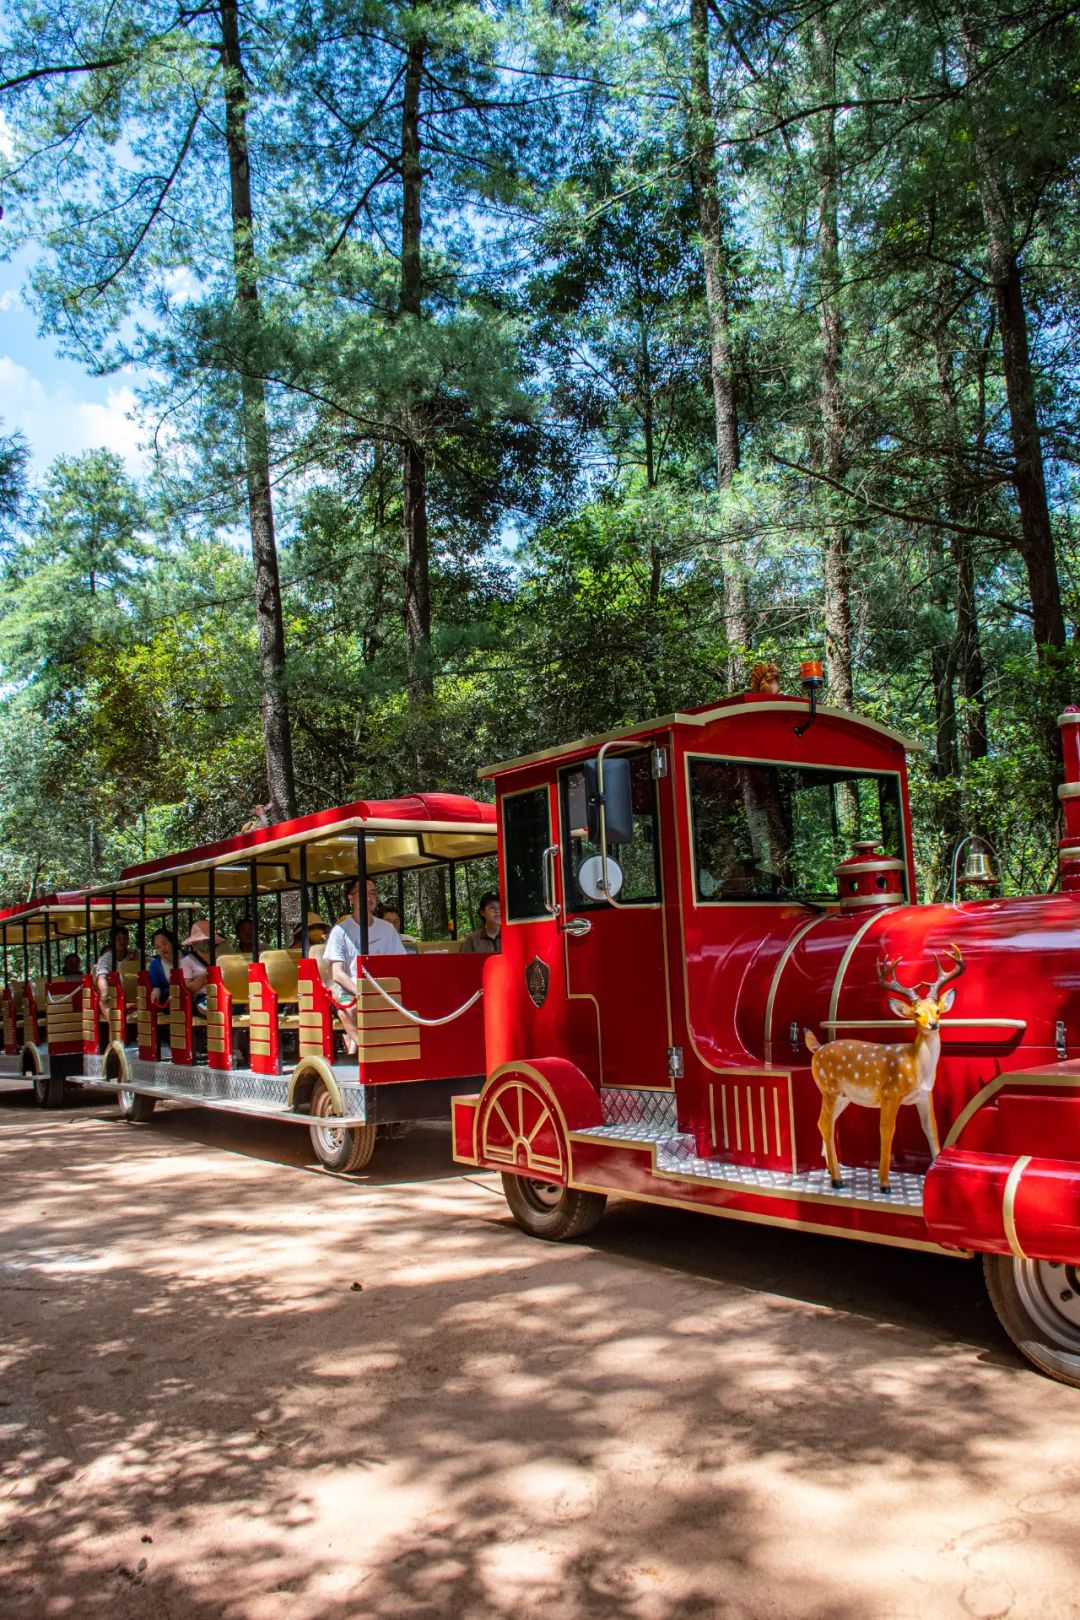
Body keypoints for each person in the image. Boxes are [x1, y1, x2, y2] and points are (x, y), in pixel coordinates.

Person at [323, 879, 405, 1054]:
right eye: (364, 893)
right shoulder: (340, 931)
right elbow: (337, 974)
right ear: (351, 898)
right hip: (353, 992)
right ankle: (366, 1049)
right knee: (349, 1009)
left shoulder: (387, 930)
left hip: (384, 990)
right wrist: (361, 992)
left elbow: (400, 964)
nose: (370, 898)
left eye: (373, 893)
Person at [179, 920, 226, 1010]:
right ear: (194, 943)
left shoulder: (220, 959)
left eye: (206, 939)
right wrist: (207, 975)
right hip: (202, 998)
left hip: (223, 995)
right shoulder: (187, 961)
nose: (204, 942)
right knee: (213, 1009)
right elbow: (188, 988)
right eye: (200, 940)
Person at [94, 926, 139, 1015]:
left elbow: (150, 965)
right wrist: (104, 991)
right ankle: (113, 1026)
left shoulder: (136, 954)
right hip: (116, 995)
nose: (122, 941)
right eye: (118, 938)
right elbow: (102, 976)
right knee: (104, 1001)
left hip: (136, 993)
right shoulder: (106, 959)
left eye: (125, 938)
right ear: (111, 941)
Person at [147, 928, 178, 1009]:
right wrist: (155, 992)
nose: (162, 948)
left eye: (165, 944)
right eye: (158, 947)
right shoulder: (155, 964)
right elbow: (156, 986)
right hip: (170, 999)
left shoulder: (187, 956)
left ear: (172, 941)